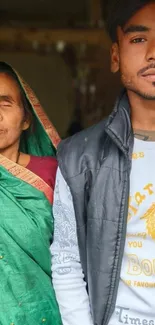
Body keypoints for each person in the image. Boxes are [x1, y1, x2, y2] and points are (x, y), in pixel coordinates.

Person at [51, 1, 155, 325]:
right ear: (115, 56)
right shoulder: (80, 157)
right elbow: (67, 261)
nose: (153, 52)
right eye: (139, 39)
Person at [0, 62, 62, 325]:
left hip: (41, 312)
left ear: (27, 118)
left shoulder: (52, 172)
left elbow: (71, 252)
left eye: (5, 104)